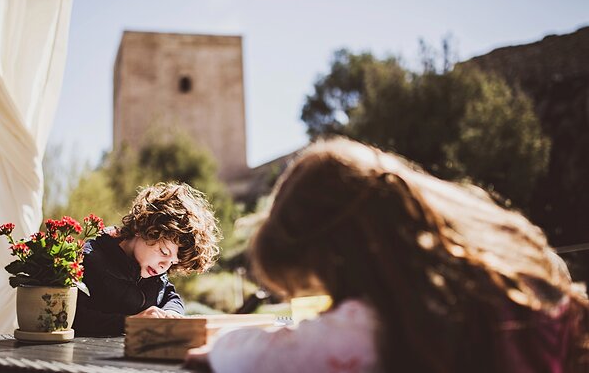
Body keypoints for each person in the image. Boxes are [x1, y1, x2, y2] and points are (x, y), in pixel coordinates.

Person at [186, 137, 589, 373]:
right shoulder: (518, 290)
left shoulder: (379, 326)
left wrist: (219, 346)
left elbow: (255, 354)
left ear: (336, 253)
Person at [73, 182, 221, 336]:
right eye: (164, 252)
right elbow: (74, 316)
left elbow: (170, 296)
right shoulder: (89, 259)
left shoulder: (153, 272)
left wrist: (171, 312)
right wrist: (131, 322)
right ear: (141, 228)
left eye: (172, 262)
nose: (164, 266)